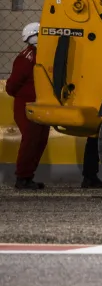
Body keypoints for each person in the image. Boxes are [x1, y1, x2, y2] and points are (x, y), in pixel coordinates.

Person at [6, 23, 48, 190]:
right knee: (31, 140)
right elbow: (12, 85)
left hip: (37, 104)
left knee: (39, 140)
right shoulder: (27, 57)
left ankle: (27, 176)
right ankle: (22, 177)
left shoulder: (37, 54)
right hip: (27, 105)